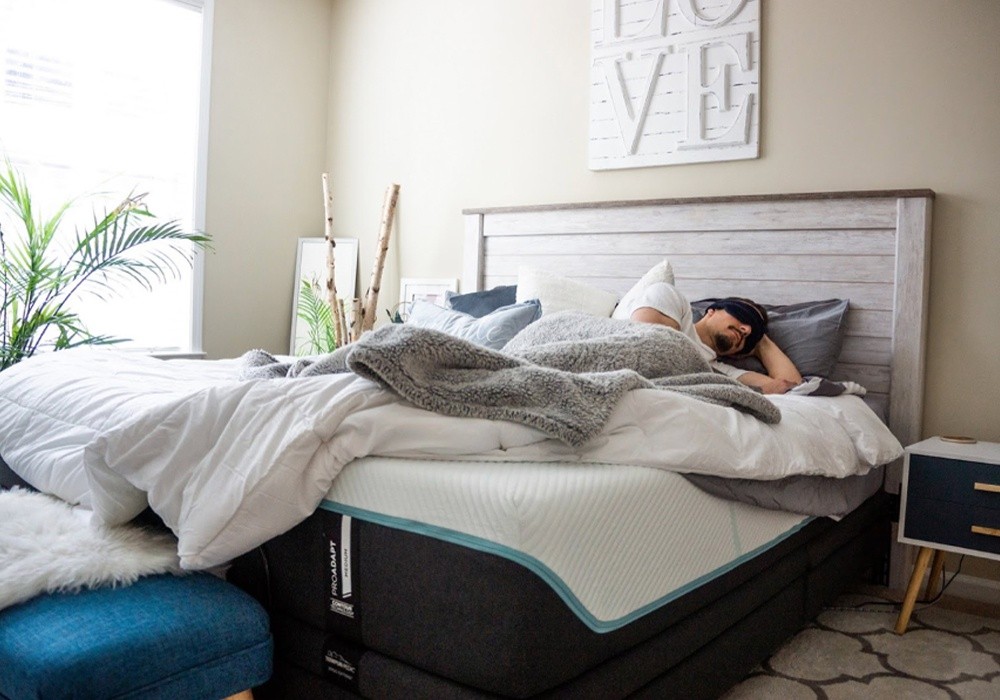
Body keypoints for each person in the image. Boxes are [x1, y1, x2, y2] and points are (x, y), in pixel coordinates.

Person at [627, 282, 802, 394]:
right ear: (712, 310)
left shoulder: (718, 372)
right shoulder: (672, 298)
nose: (747, 329)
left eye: (751, 335)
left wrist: (762, 343)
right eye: (743, 316)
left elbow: (791, 386)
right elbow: (644, 347)